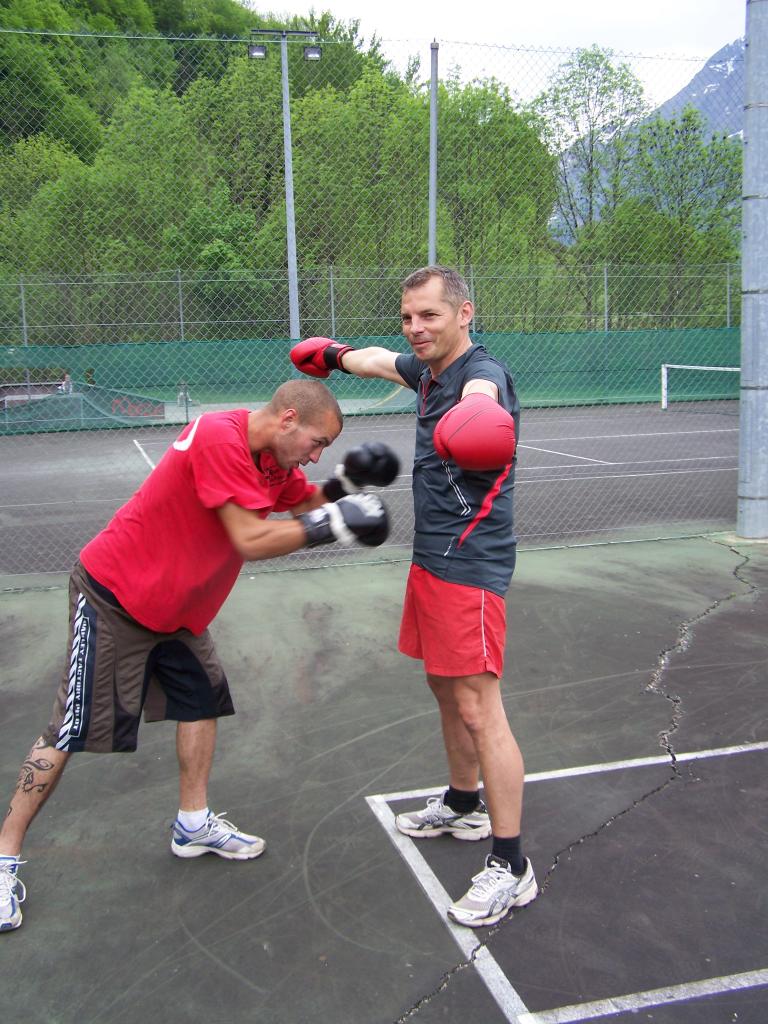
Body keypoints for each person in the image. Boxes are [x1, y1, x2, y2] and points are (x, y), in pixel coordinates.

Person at [0, 379, 398, 932]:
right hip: (116, 597)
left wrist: (346, 485)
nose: (316, 454)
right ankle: (3, 858)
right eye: (317, 442)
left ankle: (192, 824)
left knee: (201, 700)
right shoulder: (221, 439)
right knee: (69, 729)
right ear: (287, 419)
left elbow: (305, 499)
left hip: (179, 614)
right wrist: (335, 524)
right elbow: (250, 540)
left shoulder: (272, 460)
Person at [290, 266, 537, 928]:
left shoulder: (481, 374)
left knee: (480, 706)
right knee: (442, 687)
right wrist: (337, 356)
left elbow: (484, 388)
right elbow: (378, 361)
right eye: (407, 317)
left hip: (472, 566)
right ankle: (462, 801)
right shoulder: (426, 371)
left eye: (429, 315)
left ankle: (512, 864)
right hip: (432, 559)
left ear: (464, 314)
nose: (416, 328)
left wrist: (481, 411)